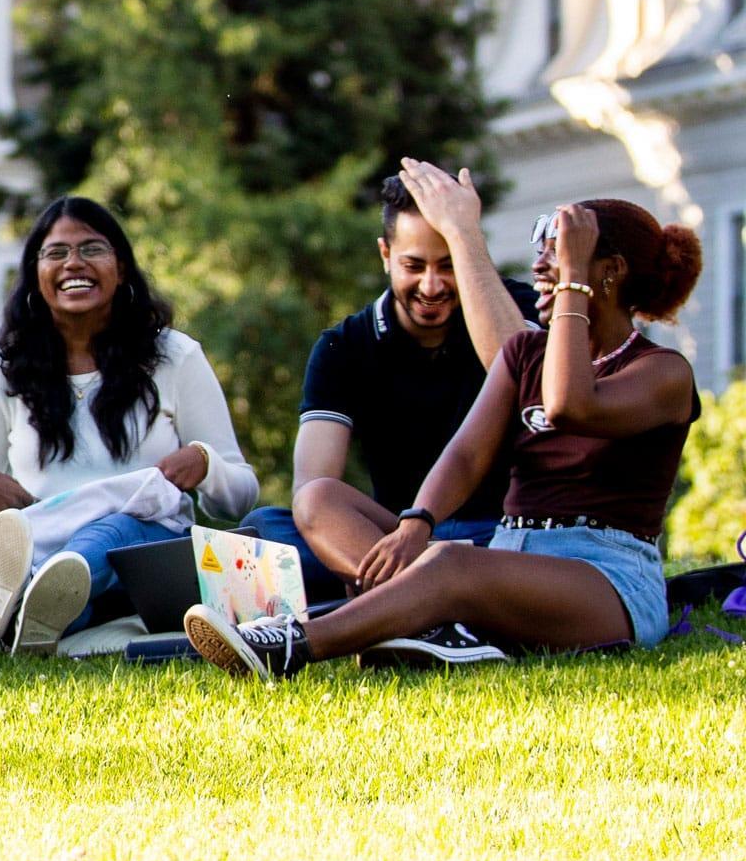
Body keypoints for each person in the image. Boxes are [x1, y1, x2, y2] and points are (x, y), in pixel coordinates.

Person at [190, 199, 703, 679]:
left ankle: (291, 646)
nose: (542, 268)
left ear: (608, 271)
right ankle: (439, 630)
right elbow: (467, 453)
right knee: (322, 497)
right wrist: (418, 523)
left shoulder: (662, 373)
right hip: (509, 552)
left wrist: (572, 283)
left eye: (559, 254)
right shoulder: (524, 352)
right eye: (544, 251)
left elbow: (571, 404)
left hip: (604, 578)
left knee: (451, 563)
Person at [0, 197, 260, 653]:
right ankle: (33, 617)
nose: (74, 264)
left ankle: (27, 601)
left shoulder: (175, 358)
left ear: (121, 269)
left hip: (147, 560)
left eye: (92, 249)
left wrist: (205, 464)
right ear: (35, 275)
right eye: (57, 253)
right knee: (59, 588)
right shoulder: (2, 375)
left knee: (113, 530)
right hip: (44, 552)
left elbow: (241, 495)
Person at [240, 161, 539, 599]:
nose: (432, 285)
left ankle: (410, 598)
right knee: (268, 526)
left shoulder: (513, 307)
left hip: (507, 533)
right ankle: (429, 594)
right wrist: (371, 544)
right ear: (385, 255)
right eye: (413, 266)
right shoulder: (345, 346)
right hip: (400, 539)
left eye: (449, 263)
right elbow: (314, 489)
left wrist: (465, 235)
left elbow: (520, 373)